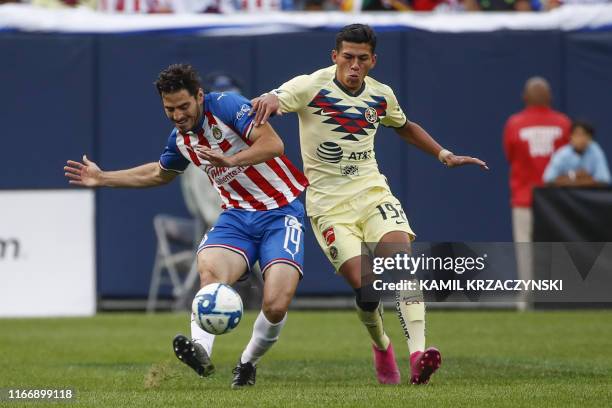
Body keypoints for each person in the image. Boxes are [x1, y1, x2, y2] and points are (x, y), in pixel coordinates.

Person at [251, 24, 487, 385]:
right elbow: (277, 97)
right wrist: (268, 97)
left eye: (362, 59)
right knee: (368, 286)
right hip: (329, 207)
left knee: (402, 262)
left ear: (373, 61)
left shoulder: (380, 95)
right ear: (335, 57)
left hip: (372, 193)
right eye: (347, 57)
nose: (354, 65)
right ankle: (381, 344)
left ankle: (419, 355)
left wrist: (443, 153)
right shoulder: (311, 86)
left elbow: (404, 125)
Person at [64, 63, 309, 389]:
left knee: (276, 303)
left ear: (199, 95)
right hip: (236, 216)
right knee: (209, 269)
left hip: (281, 211)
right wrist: (103, 177)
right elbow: (157, 174)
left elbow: (273, 145)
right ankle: (201, 351)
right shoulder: (180, 140)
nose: (178, 115)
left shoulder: (227, 106)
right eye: (170, 109)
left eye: (183, 106)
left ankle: (247, 362)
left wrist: (230, 160)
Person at [503, 77, 570, 243]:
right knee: (556, 255)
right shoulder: (564, 124)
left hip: (525, 199)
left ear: (524, 97)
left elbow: (510, 157)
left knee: (526, 255)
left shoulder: (514, 124)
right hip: (557, 201)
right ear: (550, 98)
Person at [543, 120, 611, 186]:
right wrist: (575, 176)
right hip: (565, 195)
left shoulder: (596, 151)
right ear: (571, 137)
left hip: (590, 196)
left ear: (590, 138)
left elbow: (604, 180)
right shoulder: (562, 154)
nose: (581, 139)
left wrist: (571, 180)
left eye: (584, 135)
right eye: (577, 135)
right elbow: (548, 179)